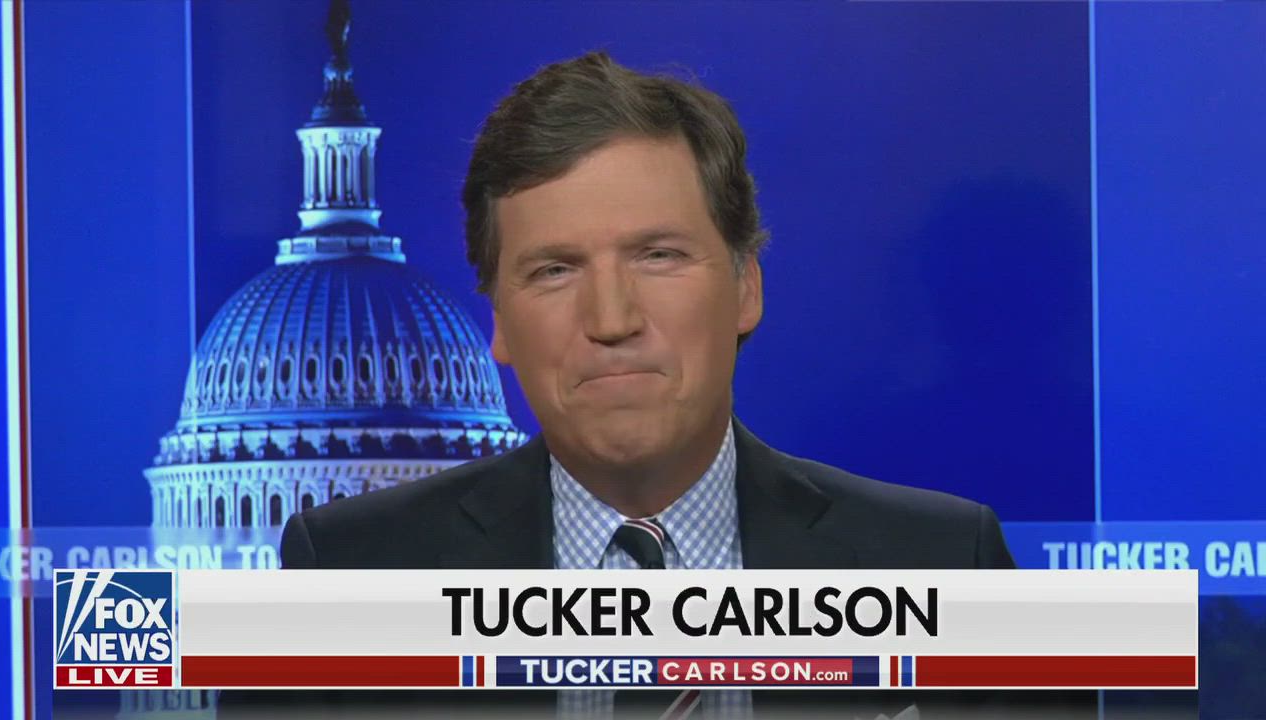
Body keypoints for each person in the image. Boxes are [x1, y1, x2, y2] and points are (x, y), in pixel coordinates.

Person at [226, 51, 1092, 720]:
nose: (612, 317)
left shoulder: (945, 563)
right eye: (555, 269)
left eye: (659, 255)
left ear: (746, 288)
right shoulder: (345, 576)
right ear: (498, 323)